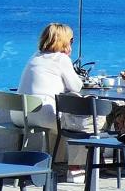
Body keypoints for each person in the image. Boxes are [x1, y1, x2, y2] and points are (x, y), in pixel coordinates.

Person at [15, 23, 94, 175]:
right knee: (78, 124)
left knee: (60, 118)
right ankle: (75, 170)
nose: (72, 43)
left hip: (19, 113)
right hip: (40, 113)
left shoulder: (35, 56)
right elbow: (76, 86)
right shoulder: (61, 59)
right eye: (71, 40)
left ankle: (55, 162)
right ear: (64, 41)